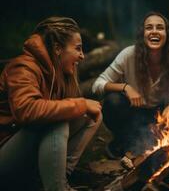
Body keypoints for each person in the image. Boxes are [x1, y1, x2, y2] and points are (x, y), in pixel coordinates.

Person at [0, 17, 102, 191]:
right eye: (78, 49)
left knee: (91, 116)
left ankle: (60, 177)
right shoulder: (23, 68)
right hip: (5, 156)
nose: (82, 56)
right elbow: (27, 110)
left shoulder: (58, 73)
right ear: (57, 49)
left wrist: (83, 107)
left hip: (25, 157)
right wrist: (82, 103)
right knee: (58, 121)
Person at [92, 12, 169, 158]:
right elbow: (97, 85)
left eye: (160, 28)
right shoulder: (128, 54)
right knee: (113, 101)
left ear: (166, 34)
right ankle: (124, 141)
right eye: (149, 27)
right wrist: (126, 87)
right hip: (132, 114)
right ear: (143, 34)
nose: (154, 31)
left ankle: (144, 143)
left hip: (158, 115)